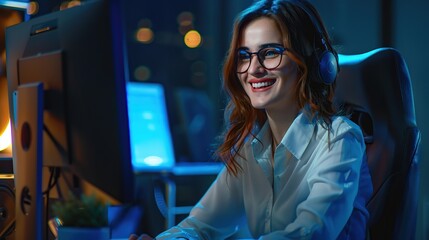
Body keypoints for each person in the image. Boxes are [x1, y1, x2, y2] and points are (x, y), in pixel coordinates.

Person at [130, 0, 372, 239]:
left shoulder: (340, 139)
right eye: (244, 56)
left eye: (270, 53)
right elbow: (200, 225)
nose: (253, 69)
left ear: (312, 62)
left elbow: (310, 232)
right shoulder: (251, 149)